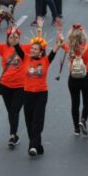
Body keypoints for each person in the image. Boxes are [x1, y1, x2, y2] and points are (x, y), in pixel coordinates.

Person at [22, 20, 64, 157]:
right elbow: (18, 45)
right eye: (32, 48)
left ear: (41, 52)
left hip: (41, 94)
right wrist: (39, 27)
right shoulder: (25, 59)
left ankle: (32, 146)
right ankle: (37, 145)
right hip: (27, 93)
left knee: (37, 120)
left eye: (35, 49)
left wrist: (59, 32)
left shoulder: (46, 60)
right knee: (29, 121)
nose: (32, 50)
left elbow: (57, 46)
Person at [0, 17, 27, 148]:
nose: (13, 38)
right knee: (11, 112)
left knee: (14, 111)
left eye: (16, 36)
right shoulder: (4, 48)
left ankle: (12, 136)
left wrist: (39, 30)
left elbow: (39, 45)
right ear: (7, 38)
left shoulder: (25, 49)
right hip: (5, 86)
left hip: (21, 86)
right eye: (11, 36)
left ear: (19, 39)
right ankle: (14, 135)